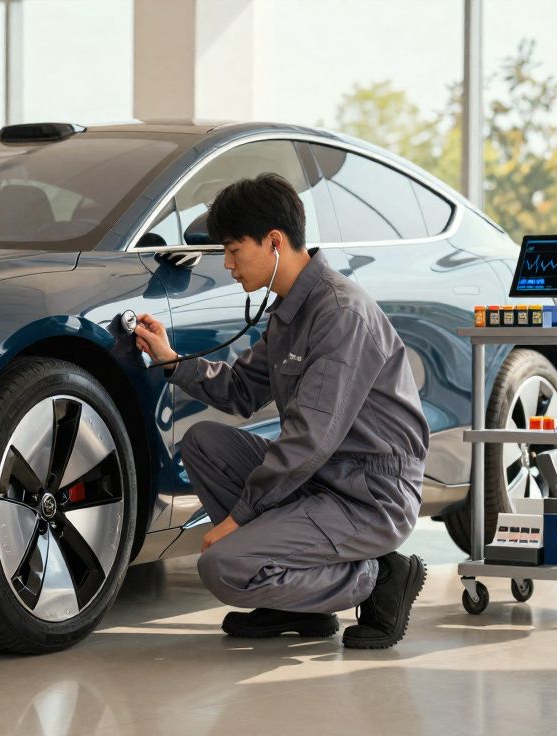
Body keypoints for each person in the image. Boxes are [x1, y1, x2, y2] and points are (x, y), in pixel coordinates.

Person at [133, 172, 430, 649]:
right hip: (320, 478)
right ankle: (298, 604)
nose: (228, 264)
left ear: (274, 242)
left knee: (223, 566)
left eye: (234, 250)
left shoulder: (339, 314)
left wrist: (239, 519)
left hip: (367, 495)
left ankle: (380, 577)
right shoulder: (291, 311)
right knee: (204, 444)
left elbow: (310, 438)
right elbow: (240, 390)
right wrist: (172, 361)